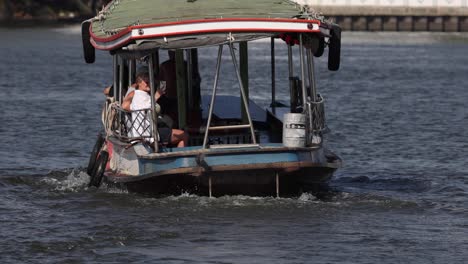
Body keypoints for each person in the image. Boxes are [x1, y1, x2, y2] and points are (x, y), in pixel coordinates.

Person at [122, 72, 188, 147]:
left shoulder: (142, 95)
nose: (149, 84)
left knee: (168, 123)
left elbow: (134, 107)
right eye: (146, 82)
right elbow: (144, 107)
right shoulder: (139, 94)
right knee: (184, 135)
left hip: (147, 130)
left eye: (150, 82)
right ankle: (180, 158)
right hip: (148, 134)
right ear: (138, 84)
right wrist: (156, 96)